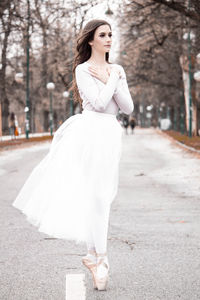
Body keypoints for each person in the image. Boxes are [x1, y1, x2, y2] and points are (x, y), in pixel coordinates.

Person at [12, 19, 134, 291]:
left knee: (103, 196)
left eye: (111, 34)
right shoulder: (83, 69)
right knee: (97, 196)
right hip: (89, 133)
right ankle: (100, 258)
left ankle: (93, 256)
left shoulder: (116, 69)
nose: (109, 39)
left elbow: (127, 106)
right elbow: (101, 103)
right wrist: (112, 79)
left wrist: (113, 77)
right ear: (91, 40)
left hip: (110, 135)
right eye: (103, 35)